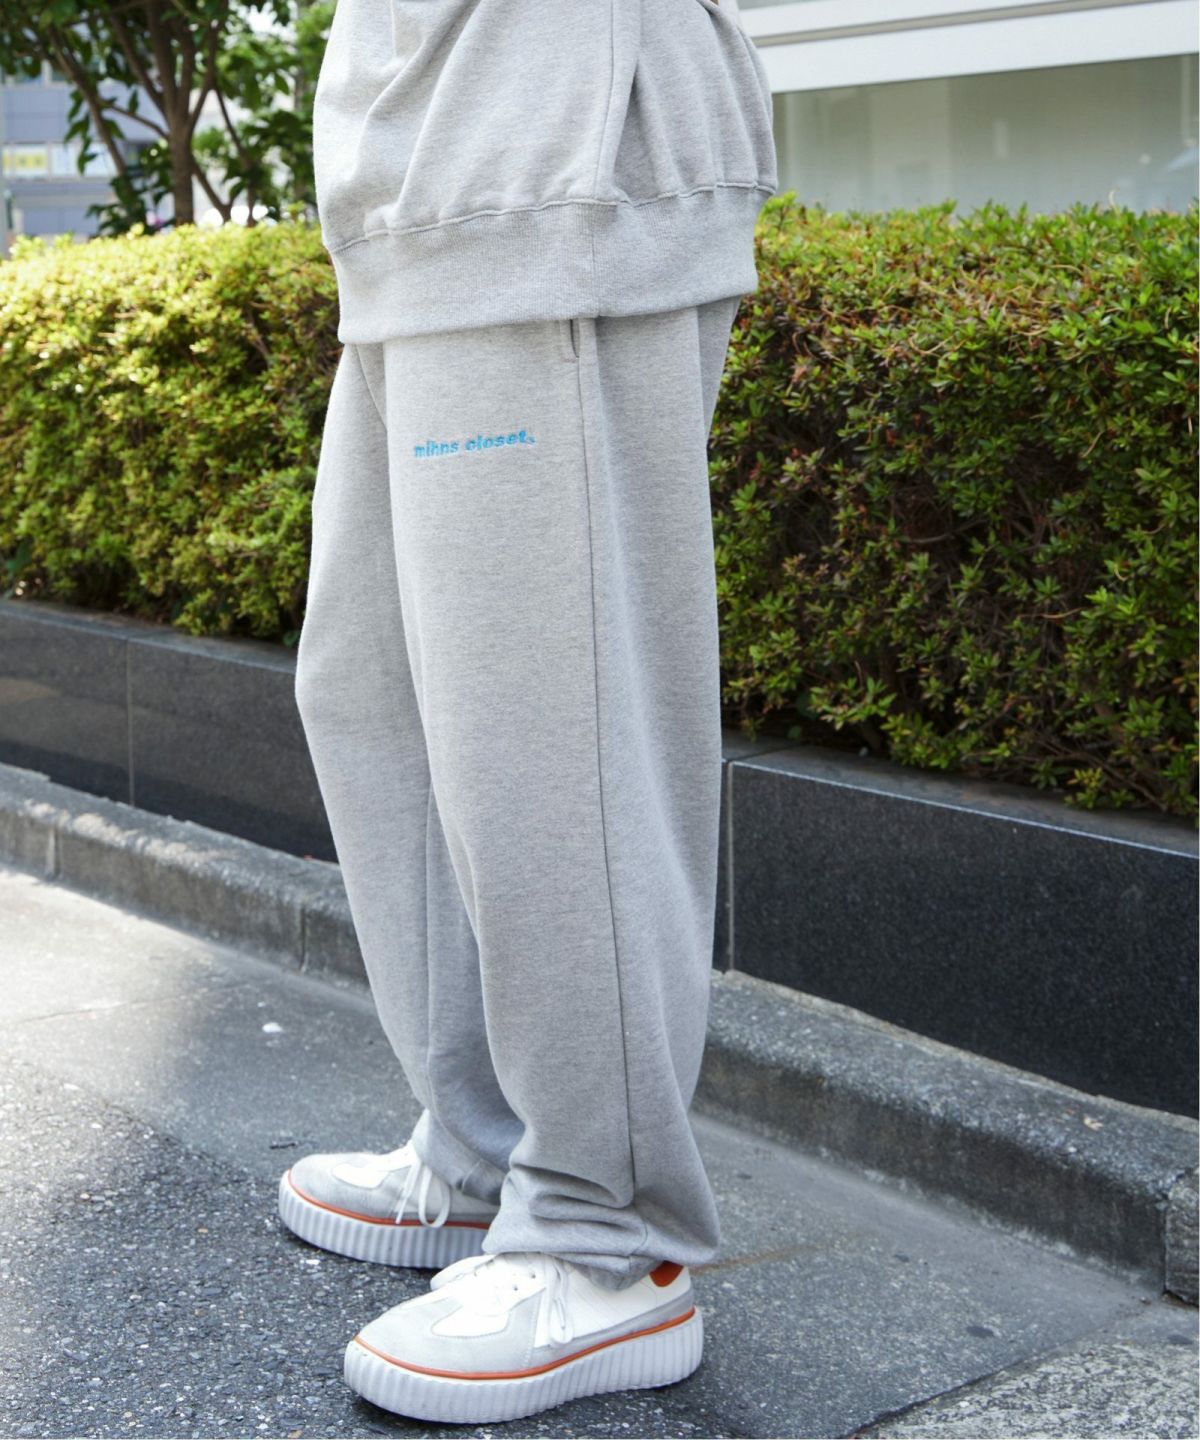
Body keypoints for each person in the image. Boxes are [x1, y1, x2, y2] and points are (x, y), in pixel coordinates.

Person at [278, 0, 777, 1424]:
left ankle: (603, 1233)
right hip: (424, 174)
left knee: (544, 732)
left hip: (555, 154)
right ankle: (487, 1150)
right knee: (379, 693)